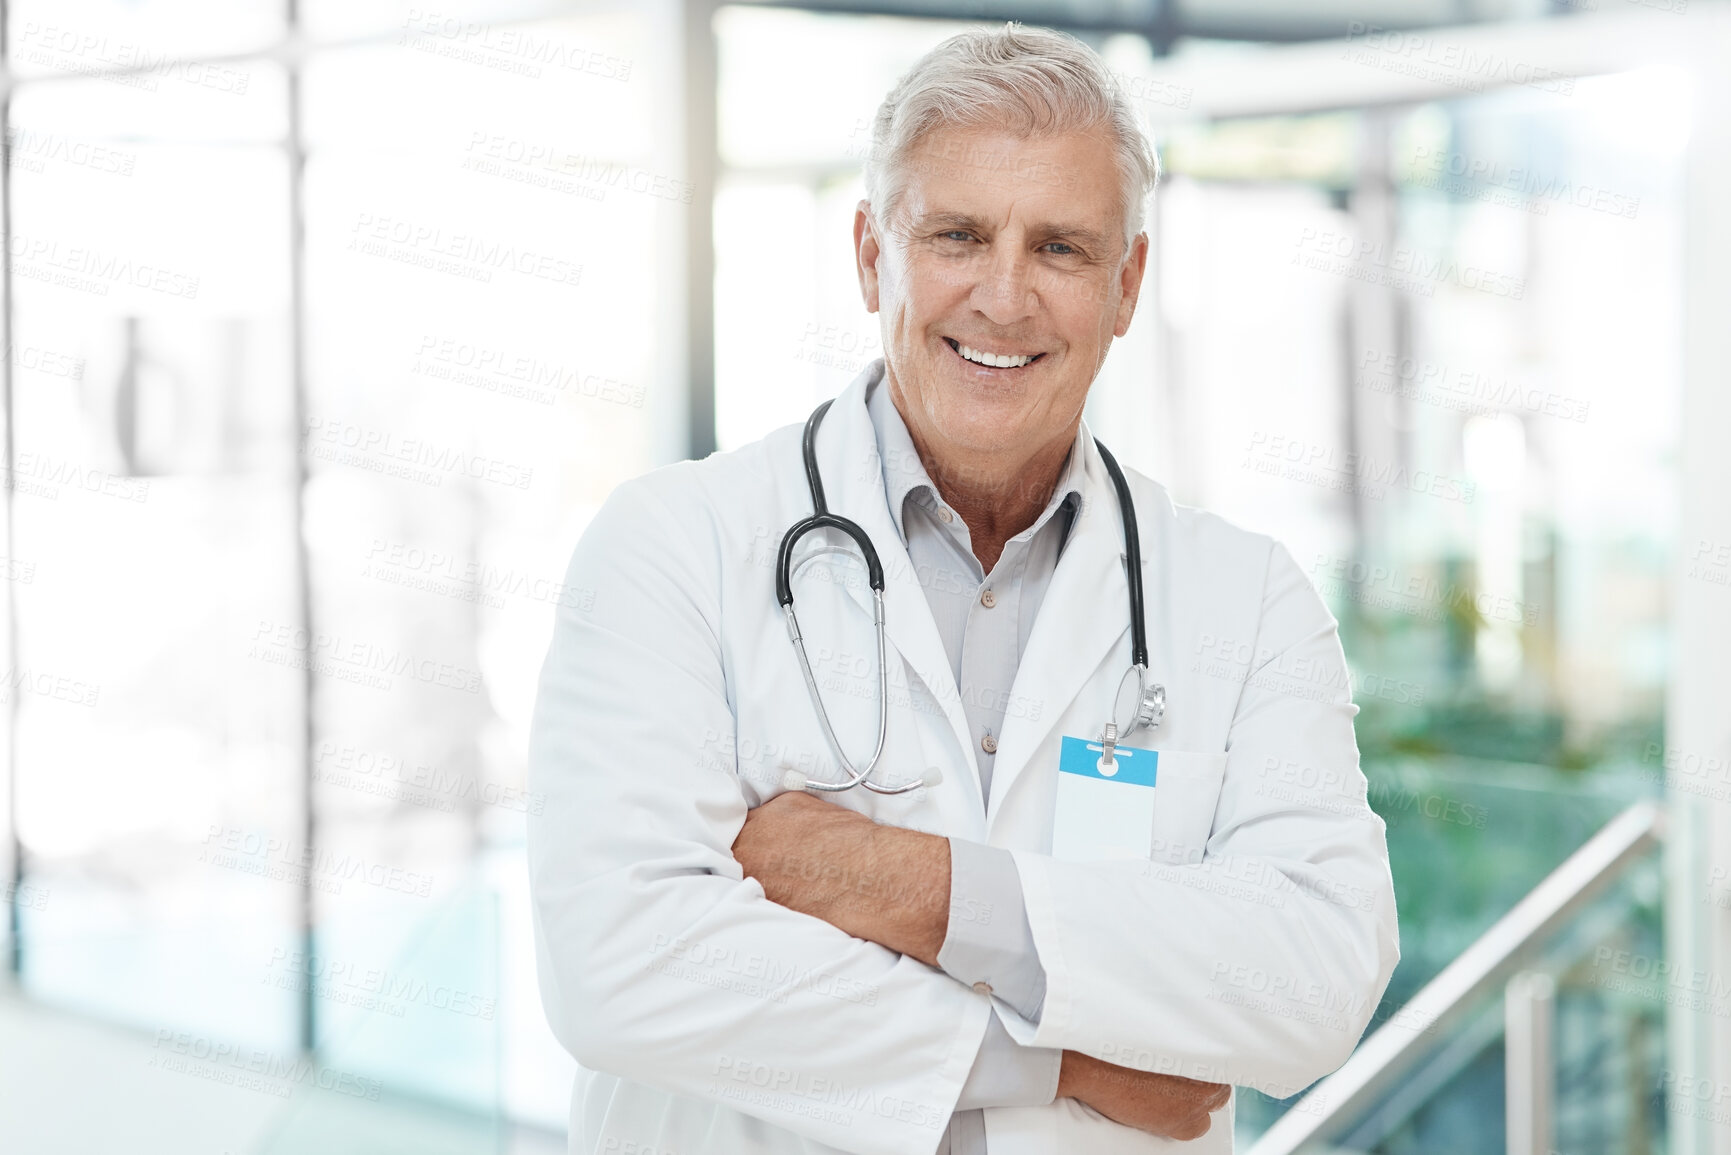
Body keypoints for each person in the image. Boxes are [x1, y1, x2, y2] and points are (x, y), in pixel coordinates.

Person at [527, 21, 1398, 1155]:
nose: (1004, 296)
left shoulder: (1249, 600)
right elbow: (621, 965)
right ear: (869, 255)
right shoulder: (672, 549)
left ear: (1127, 284)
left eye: (1062, 249)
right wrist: (1067, 1057)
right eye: (957, 235)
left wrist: (899, 881)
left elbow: (1315, 977)